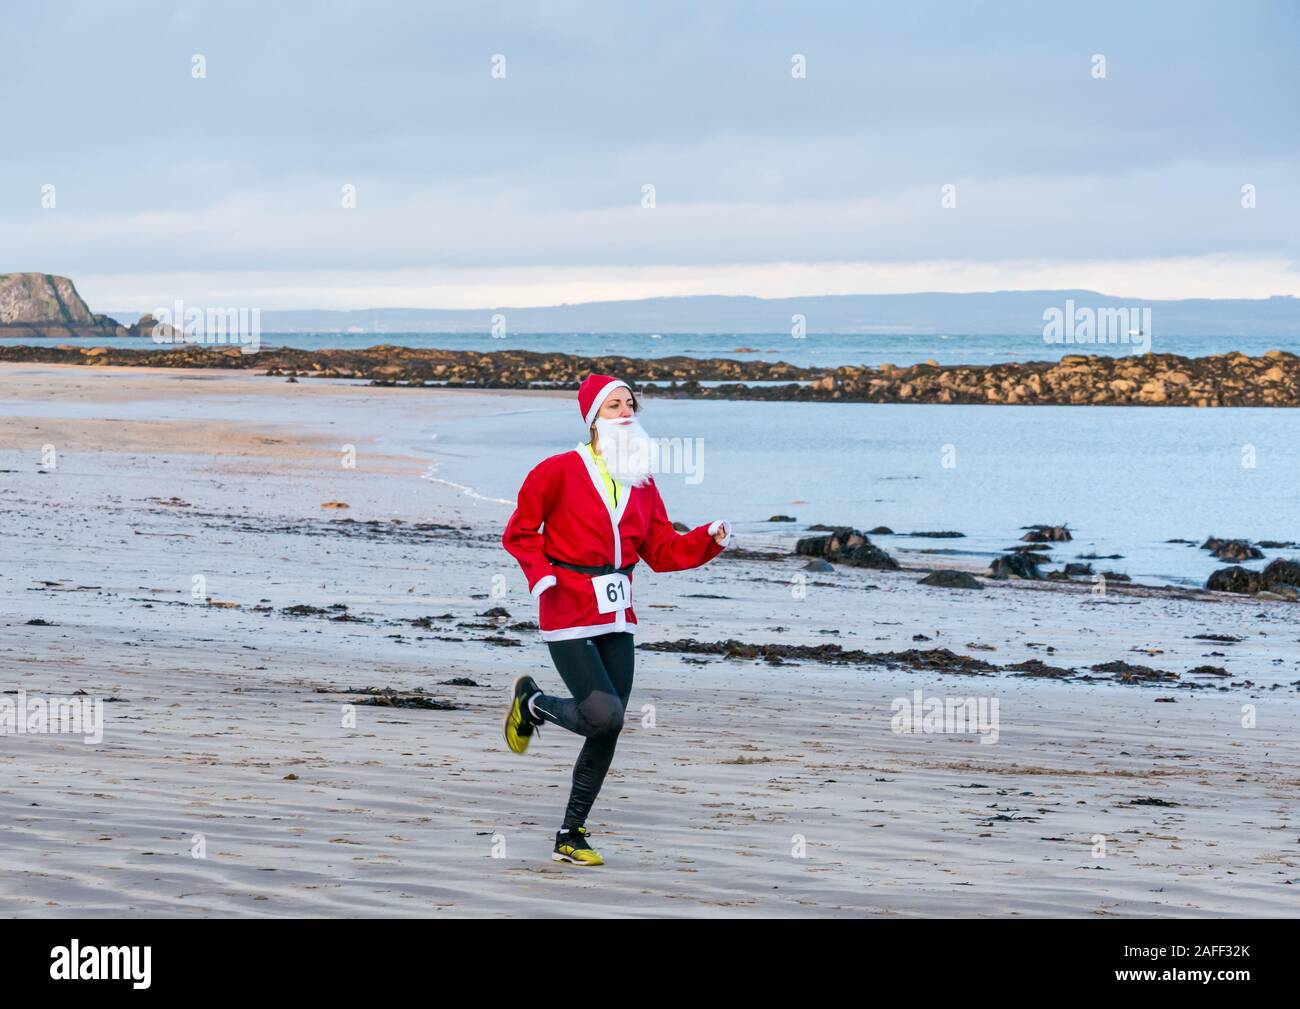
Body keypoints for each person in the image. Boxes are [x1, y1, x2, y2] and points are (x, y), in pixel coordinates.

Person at [501, 373, 732, 865]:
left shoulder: (643, 482)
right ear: (593, 418)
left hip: (617, 607)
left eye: (630, 404)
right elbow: (520, 532)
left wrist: (707, 538)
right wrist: (540, 576)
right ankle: (535, 702)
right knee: (605, 715)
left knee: (608, 726)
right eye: (613, 406)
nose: (626, 412)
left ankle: (571, 833)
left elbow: (662, 550)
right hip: (566, 603)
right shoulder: (558, 470)